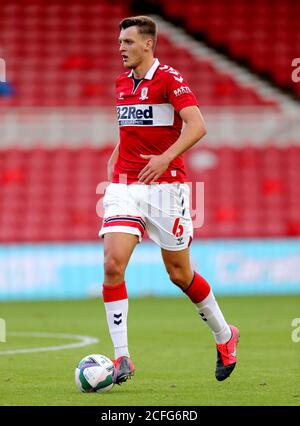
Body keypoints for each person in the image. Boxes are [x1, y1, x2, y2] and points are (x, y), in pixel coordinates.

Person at [99, 15, 239, 385]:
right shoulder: (120, 83)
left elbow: (198, 125)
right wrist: (116, 153)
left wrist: (165, 158)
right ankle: (122, 358)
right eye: (120, 42)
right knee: (113, 264)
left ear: (148, 44)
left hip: (166, 187)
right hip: (125, 184)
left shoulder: (170, 79)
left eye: (128, 42)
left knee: (179, 274)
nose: (121, 48)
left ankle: (225, 336)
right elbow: (132, 127)